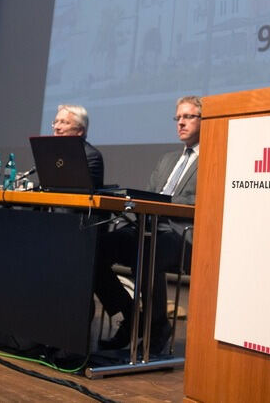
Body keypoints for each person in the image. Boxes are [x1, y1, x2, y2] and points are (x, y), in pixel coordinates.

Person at [95, 96, 201, 354]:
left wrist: (164, 202)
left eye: (188, 117)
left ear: (205, 120)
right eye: (178, 118)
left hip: (183, 235)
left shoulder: (213, 159)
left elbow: (203, 200)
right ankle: (131, 314)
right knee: (96, 247)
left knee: (146, 249)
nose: (181, 123)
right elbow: (150, 196)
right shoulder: (166, 159)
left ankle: (158, 326)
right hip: (150, 227)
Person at [51, 104, 104, 189]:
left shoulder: (91, 156)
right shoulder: (51, 153)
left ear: (79, 130)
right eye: (55, 122)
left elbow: (80, 190)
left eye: (64, 122)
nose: (56, 127)